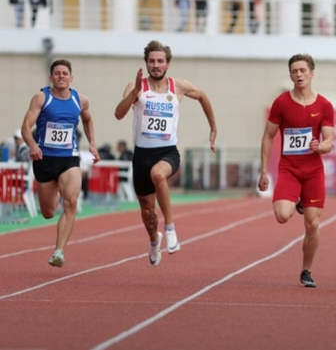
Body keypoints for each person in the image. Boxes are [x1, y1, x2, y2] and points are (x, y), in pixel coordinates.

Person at [114, 40, 217, 267]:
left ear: (167, 64)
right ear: (146, 63)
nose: (156, 65)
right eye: (152, 61)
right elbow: (118, 114)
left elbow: (203, 97)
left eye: (160, 61)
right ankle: (154, 239)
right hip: (142, 154)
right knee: (148, 213)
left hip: (167, 152)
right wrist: (134, 94)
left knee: (159, 175)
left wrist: (213, 128)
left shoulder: (178, 86)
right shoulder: (135, 85)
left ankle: (170, 228)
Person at [258, 54, 335, 288]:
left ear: (312, 73)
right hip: (289, 169)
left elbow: (330, 139)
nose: (299, 75)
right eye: (294, 71)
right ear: (290, 75)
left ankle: (306, 270)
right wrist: (263, 171)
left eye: (302, 70)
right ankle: (297, 202)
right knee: (282, 215)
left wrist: (321, 146)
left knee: (312, 224)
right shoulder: (281, 103)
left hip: (313, 171)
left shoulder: (324, 105)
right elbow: (268, 136)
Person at [20, 59, 100, 267]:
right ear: (51, 77)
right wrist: (32, 145)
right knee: (48, 213)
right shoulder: (41, 98)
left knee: (71, 202)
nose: (61, 76)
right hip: (44, 158)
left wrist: (92, 143)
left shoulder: (80, 100)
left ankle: (59, 251)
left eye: (65, 73)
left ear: (71, 77)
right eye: (57, 73)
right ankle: (53, 189)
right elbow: (26, 126)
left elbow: (88, 119)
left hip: (69, 158)